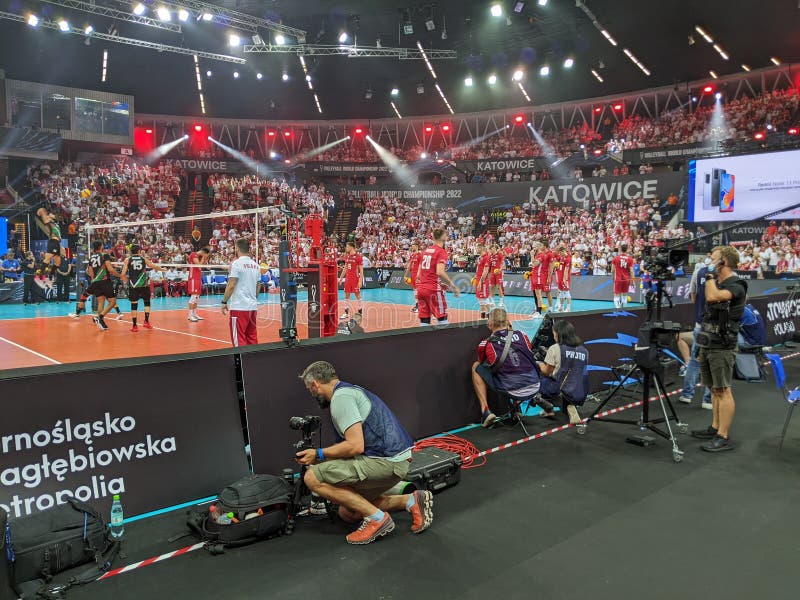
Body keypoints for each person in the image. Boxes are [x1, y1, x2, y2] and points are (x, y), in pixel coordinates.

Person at [296, 361, 432, 545]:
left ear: (315, 384)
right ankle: (410, 501)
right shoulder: (350, 390)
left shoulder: (341, 399)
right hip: (395, 460)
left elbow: (355, 446)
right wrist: (320, 457)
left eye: (309, 389)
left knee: (312, 477)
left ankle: (377, 519)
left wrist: (318, 454)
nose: (312, 394)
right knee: (348, 512)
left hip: (387, 462)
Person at [691, 246, 748, 452]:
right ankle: (715, 427)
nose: (709, 260)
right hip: (709, 341)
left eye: (713, 258)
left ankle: (723, 436)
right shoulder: (719, 282)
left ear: (723, 261)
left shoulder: (737, 284)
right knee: (713, 388)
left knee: (723, 390)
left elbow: (713, 297)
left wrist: (708, 276)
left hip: (723, 345)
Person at [471, 307, 555, 427]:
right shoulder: (523, 335)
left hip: (511, 389)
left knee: (476, 367)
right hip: (535, 386)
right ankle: (517, 409)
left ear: (489, 325)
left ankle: (485, 411)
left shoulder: (486, 343)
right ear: (508, 322)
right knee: (517, 364)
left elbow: (481, 362)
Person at [538, 320, 589, 425]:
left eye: (554, 333)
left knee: (537, 375)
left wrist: (538, 363)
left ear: (558, 333)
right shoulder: (584, 350)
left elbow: (547, 371)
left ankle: (548, 407)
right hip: (580, 392)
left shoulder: (555, 348)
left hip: (560, 390)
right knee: (568, 379)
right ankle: (570, 406)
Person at [678, 259, 712, 408]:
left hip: (700, 322)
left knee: (694, 359)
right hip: (715, 326)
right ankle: (707, 400)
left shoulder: (698, 272)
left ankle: (687, 394)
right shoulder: (727, 275)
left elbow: (693, 295)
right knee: (711, 361)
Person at [72, 240, 122, 330]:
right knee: (112, 302)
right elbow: (110, 269)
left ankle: (100, 321)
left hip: (95, 282)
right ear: (101, 246)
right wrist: (120, 275)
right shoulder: (104, 255)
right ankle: (100, 317)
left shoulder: (91, 258)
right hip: (105, 282)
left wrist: (95, 280)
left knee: (101, 301)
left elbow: (91, 273)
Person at [415, 228, 461, 326]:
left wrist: (438, 283)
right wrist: (453, 286)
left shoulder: (425, 251)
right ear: (443, 237)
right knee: (442, 318)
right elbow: (439, 272)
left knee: (424, 320)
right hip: (433, 290)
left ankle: (423, 340)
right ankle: (445, 341)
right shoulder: (441, 252)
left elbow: (419, 275)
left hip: (421, 290)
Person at [221, 238, 261, 347]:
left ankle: (242, 364)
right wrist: (252, 298)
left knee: (238, 340)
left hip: (239, 308)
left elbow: (231, 285)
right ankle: (254, 362)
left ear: (237, 248)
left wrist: (224, 301)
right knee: (252, 337)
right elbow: (258, 286)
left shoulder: (237, 264)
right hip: (252, 308)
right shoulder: (256, 266)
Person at [121, 244, 164, 332]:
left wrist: (127, 282)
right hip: (144, 285)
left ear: (131, 251)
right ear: (139, 251)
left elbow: (122, 274)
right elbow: (153, 266)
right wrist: (163, 269)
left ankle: (134, 326)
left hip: (133, 285)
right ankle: (146, 321)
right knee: (147, 302)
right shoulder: (143, 259)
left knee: (134, 304)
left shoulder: (127, 259)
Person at [340, 242, 364, 321]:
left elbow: (361, 270)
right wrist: (341, 278)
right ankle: (346, 313)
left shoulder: (358, 257)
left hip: (355, 279)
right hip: (348, 279)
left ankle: (360, 311)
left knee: (357, 294)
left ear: (351, 247)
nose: (346, 248)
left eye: (347, 247)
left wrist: (360, 281)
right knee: (347, 294)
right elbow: (345, 268)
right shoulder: (347, 257)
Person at [36, 207, 63, 276]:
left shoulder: (55, 222)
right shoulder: (48, 221)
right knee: (48, 257)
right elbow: (43, 215)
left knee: (58, 262)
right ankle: (39, 272)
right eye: (52, 214)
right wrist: (41, 212)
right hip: (53, 241)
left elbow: (57, 217)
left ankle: (51, 274)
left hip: (57, 243)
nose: (54, 215)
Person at [187, 246, 210, 322]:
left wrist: (205, 260)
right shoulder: (193, 254)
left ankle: (194, 314)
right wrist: (203, 258)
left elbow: (205, 268)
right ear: (204, 252)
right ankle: (190, 315)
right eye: (207, 254)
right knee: (193, 297)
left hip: (198, 277)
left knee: (197, 297)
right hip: (193, 278)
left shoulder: (200, 257)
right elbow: (199, 266)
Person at [611, 244, 634, 309]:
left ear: (620, 249)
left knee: (616, 294)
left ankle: (617, 308)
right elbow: (631, 271)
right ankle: (624, 309)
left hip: (618, 279)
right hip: (626, 279)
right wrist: (633, 281)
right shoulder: (630, 259)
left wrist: (613, 277)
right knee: (624, 295)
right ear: (626, 250)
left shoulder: (615, 258)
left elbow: (612, 270)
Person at [551, 244, 572, 313]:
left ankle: (568, 308)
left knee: (567, 292)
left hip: (564, 278)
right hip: (560, 278)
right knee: (561, 293)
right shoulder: (562, 257)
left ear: (563, 251)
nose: (559, 254)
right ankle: (561, 307)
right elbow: (556, 262)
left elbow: (566, 270)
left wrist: (565, 279)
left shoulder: (568, 258)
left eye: (560, 253)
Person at [474, 243, 492, 319]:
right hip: (478, 279)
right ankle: (483, 317)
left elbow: (485, 271)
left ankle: (489, 317)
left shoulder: (486, 257)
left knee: (485, 299)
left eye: (477, 248)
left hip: (483, 281)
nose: (476, 249)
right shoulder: (480, 257)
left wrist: (481, 282)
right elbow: (479, 269)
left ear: (481, 248)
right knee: (480, 299)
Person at [404, 243, 422, 314]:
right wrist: (405, 275)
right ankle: (417, 305)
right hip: (413, 275)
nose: (412, 247)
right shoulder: (412, 255)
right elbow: (409, 266)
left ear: (417, 247)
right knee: (415, 291)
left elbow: (421, 266)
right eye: (411, 247)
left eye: (414, 246)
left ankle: (421, 306)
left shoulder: (420, 255)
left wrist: (419, 275)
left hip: (418, 275)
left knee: (419, 290)